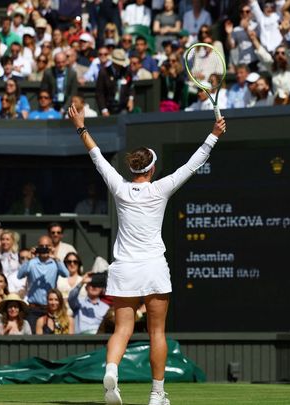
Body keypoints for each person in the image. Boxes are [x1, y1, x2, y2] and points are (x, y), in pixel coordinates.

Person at [67, 103, 226, 405]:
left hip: (125, 268)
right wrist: (214, 135)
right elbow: (194, 163)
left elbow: (96, 155)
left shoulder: (119, 187)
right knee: (157, 332)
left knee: (122, 329)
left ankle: (111, 370)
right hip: (153, 267)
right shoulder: (161, 188)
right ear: (151, 169)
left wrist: (80, 126)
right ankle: (157, 394)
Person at [17, 234, 69, 330]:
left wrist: (56, 257)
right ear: (37, 247)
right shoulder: (32, 262)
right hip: (33, 308)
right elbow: (19, 275)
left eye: (47, 246)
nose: (44, 249)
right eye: (41, 247)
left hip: (50, 308)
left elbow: (66, 274)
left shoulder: (55, 263)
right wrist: (29, 258)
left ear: (51, 247)